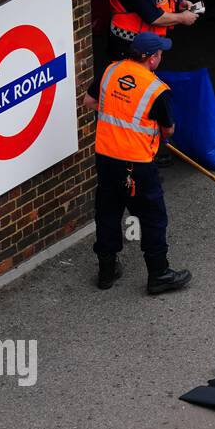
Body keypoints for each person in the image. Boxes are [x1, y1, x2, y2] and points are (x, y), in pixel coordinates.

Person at [85, 32, 192, 295]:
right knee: (153, 217)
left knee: (108, 212)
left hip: (106, 158)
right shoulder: (156, 89)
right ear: (152, 58)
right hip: (137, 165)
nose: (161, 57)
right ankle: (159, 274)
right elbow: (168, 131)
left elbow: (89, 102)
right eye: (160, 53)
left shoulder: (111, 71)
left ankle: (106, 271)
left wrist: (117, 112)